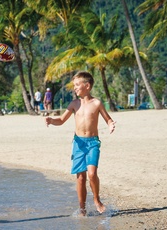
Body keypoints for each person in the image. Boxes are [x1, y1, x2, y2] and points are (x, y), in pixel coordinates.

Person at [45, 71, 116, 216]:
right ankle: (82, 208)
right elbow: (61, 120)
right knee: (81, 177)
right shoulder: (74, 104)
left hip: (92, 143)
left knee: (92, 173)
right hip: (78, 143)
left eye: (77, 85)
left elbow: (108, 119)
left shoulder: (96, 103)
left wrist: (110, 124)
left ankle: (96, 199)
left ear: (87, 86)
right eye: (74, 85)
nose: (75, 88)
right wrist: (51, 121)